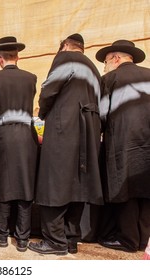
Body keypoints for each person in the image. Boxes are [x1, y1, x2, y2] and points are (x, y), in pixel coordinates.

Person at [28, 34, 103, 255]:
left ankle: (54, 241)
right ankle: (70, 239)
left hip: (65, 129)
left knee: (55, 182)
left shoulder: (65, 58)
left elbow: (49, 89)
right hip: (88, 131)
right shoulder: (95, 69)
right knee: (78, 186)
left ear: (65, 46)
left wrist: (42, 112)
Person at [95, 40, 150, 252]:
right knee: (146, 189)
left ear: (116, 58)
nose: (105, 67)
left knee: (124, 187)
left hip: (122, 142)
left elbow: (102, 113)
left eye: (106, 62)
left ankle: (128, 239)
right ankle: (144, 239)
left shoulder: (110, 78)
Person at [0, 36, 39, 252]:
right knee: (26, 185)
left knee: (4, 184)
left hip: (4, 136)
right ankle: (23, 238)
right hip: (27, 135)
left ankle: (1, 235)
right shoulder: (31, 78)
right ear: (18, 56)